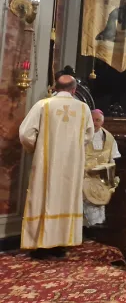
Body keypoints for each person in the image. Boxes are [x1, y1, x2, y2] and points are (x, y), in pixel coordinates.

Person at [19, 75, 94, 258]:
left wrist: (36, 149)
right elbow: (89, 135)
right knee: (66, 198)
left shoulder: (43, 105)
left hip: (47, 161)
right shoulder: (83, 109)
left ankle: (42, 245)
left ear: (54, 87)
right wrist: (74, 148)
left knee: (43, 197)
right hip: (72, 165)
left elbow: (25, 133)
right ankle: (62, 244)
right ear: (74, 90)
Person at [83, 109, 121, 227]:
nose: (94, 123)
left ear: (102, 122)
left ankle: (97, 230)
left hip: (101, 179)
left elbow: (115, 158)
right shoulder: (82, 135)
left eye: (97, 120)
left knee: (99, 209)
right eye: (92, 120)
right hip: (84, 178)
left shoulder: (109, 138)